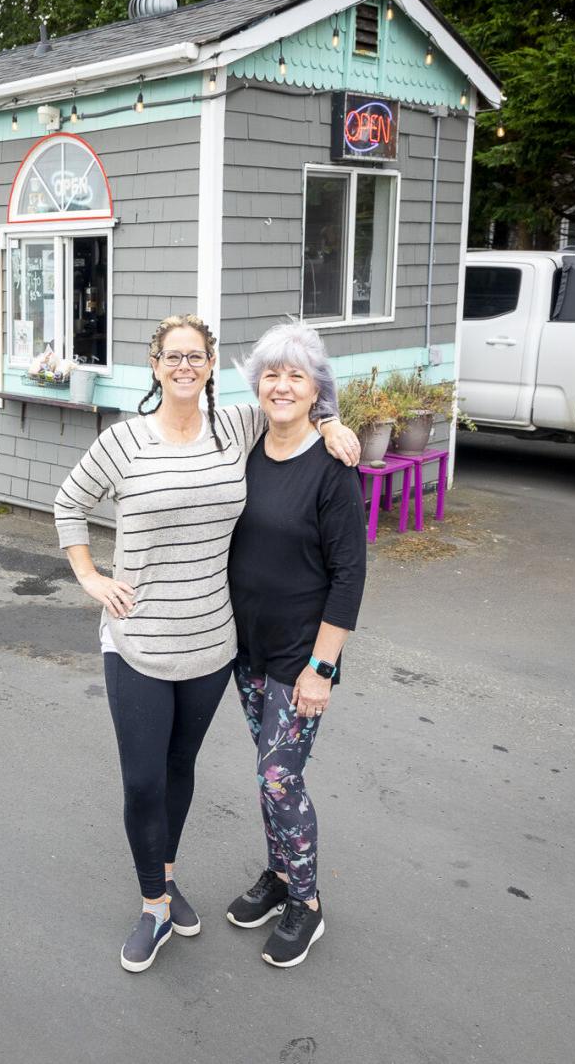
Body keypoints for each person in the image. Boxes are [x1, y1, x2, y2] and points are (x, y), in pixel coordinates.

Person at [54, 314, 360, 972]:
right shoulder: (143, 439)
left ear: (211, 365)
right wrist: (90, 576)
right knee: (150, 779)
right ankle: (157, 903)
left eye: (197, 355)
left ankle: (244, 891)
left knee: (226, 773)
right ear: (156, 363)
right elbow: (67, 502)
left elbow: (297, 418)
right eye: (173, 355)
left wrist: (334, 425)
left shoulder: (243, 431)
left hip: (239, 650)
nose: (185, 365)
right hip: (168, 643)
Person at [222, 320, 366, 967]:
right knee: (267, 770)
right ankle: (279, 874)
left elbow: (349, 574)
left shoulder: (332, 469)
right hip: (247, 647)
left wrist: (321, 667)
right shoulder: (247, 445)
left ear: (316, 389)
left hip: (301, 657)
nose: (281, 385)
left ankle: (305, 902)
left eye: (296, 374)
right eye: (271, 374)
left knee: (280, 775)